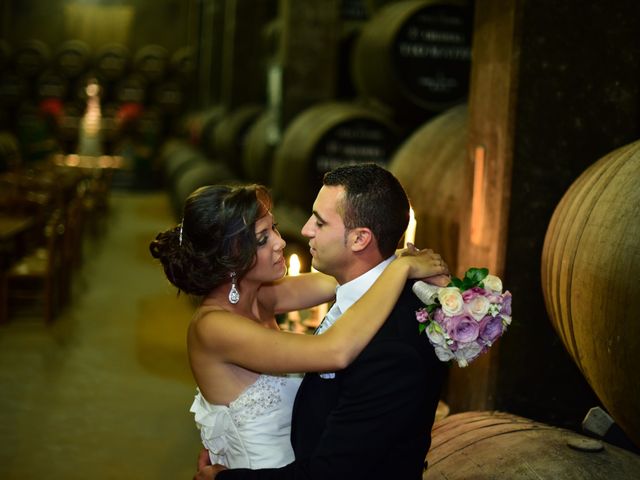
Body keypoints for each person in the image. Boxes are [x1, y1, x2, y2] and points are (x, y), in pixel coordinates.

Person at [149, 180, 448, 471]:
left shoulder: (263, 295)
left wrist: (393, 254)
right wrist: (401, 269)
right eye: (263, 238)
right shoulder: (214, 328)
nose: (281, 242)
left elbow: (347, 275)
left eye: (274, 227)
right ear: (231, 258)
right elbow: (334, 351)